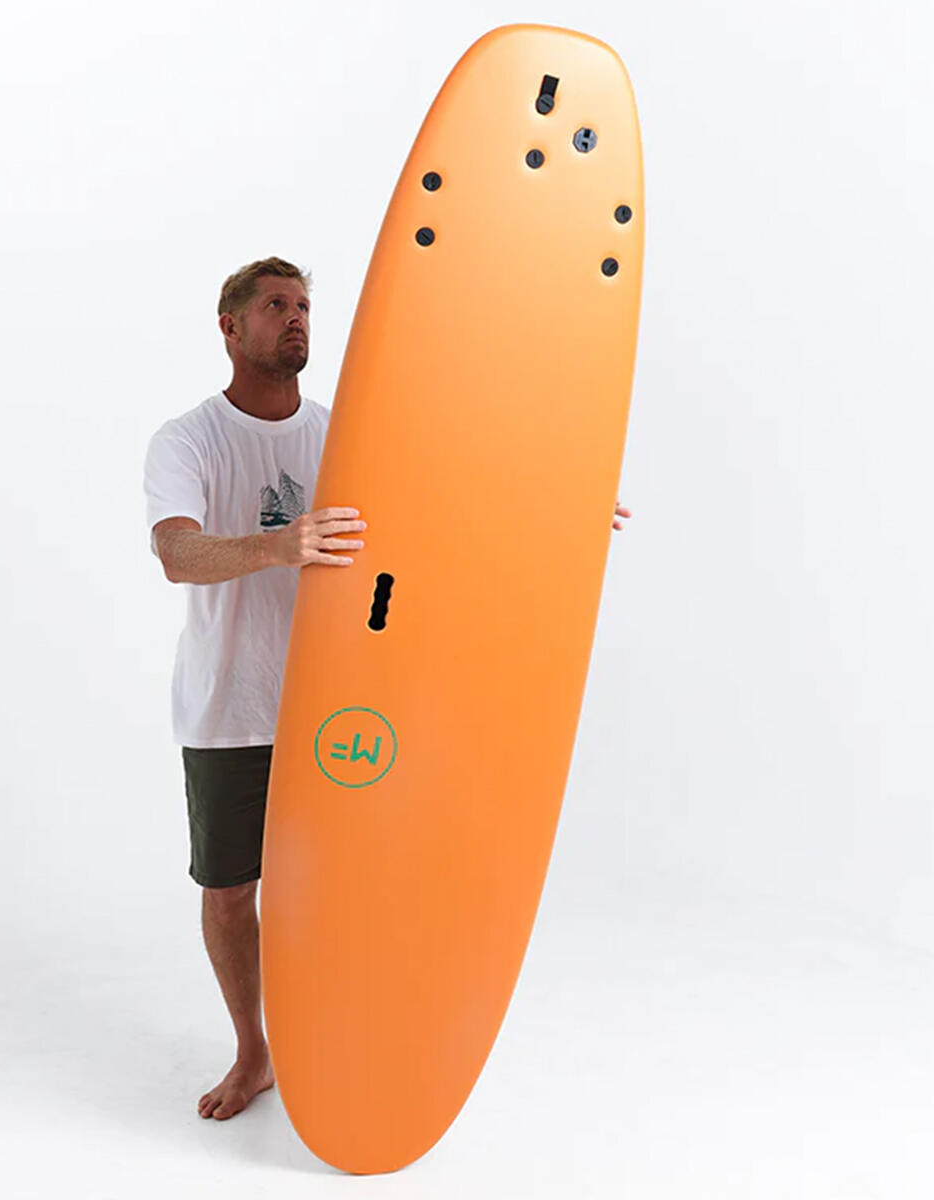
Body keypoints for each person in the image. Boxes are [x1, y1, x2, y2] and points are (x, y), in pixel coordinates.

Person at [143, 256, 632, 1122]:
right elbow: (178, 553)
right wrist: (278, 546)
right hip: (230, 710)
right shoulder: (188, 440)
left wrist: (562, 509)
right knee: (229, 892)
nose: (296, 318)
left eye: (303, 306)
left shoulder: (344, 432)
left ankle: (339, 1042)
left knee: (345, 886)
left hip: (338, 705)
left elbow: (445, 504)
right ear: (230, 326)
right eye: (275, 305)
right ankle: (255, 1052)